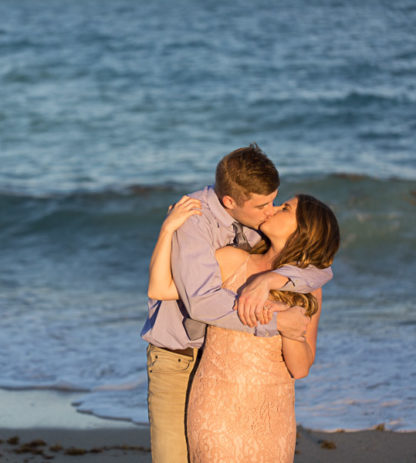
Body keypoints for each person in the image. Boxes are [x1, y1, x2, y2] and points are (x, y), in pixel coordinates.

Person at [140, 144, 333, 463]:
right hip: (179, 356)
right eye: (265, 205)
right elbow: (198, 301)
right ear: (230, 201)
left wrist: (272, 280)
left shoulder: (260, 226)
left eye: (277, 202)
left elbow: (319, 268)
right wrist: (278, 322)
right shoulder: (195, 220)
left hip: (234, 376)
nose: (270, 210)